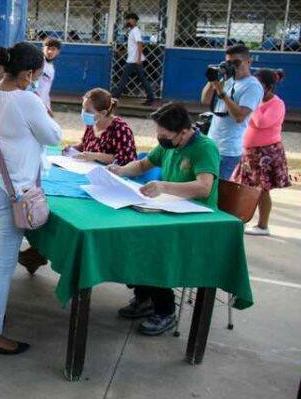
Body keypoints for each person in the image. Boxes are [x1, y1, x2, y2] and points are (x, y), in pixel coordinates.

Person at [0, 42, 62, 355]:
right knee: (3, 266)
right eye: (35, 75)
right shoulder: (27, 100)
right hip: (5, 193)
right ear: (27, 74)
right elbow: (54, 136)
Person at [108, 102, 220, 335]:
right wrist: (119, 170)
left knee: (154, 247)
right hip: (167, 211)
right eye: (158, 134)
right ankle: (144, 295)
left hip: (195, 219)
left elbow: (203, 188)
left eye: (165, 135)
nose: (160, 139)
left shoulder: (204, 148)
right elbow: (143, 164)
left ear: (184, 131)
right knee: (132, 234)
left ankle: (165, 310)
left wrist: (164, 186)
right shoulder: (169, 145)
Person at [233, 69, 291, 236]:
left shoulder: (276, 104)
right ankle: (241, 219)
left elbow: (261, 122)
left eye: (259, 87)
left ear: (269, 87)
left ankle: (263, 225)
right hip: (249, 151)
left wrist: (254, 104)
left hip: (267, 152)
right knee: (245, 187)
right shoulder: (254, 101)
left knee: (262, 189)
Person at [201, 44, 264, 181]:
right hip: (212, 143)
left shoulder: (253, 86)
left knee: (217, 192)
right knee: (204, 187)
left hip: (228, 150)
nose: (233, 67)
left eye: (237, 62)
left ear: (249, 62)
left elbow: (240, 116)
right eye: (229, 63)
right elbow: (205, 100)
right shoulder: (227, 79)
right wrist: (212, 81)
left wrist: (222, 93)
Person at [67, 88, 137, 166]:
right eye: (83, 108)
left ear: (103, 113)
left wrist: (95, 156)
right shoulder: (92, 124)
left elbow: (125, 159)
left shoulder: (121, 129)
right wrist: (72, 149)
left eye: (88, 111)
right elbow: (85, 144)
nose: (84, 112)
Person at [112, 12, 155, 106]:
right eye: (127, 19)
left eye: (129, 19)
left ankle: (114, 97)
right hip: (133, 59)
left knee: (124, 79)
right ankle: (151, 98)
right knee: (142, 79)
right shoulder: (132, 31)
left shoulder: (135, 30)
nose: (127, 21)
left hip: (134, 60)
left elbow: (140, 44)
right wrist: (121, 53)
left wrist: (139, 59)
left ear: (134, 21)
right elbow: (132, 47)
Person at [29, 38, 61, 111]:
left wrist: (48, 107)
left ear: (58, 52)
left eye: (53, 49)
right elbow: (31, 85)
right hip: (33, 103)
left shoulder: (51, 68)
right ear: (43, 49)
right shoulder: (38, 63)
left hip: (42, 105)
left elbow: (46, 90)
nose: (50, 52)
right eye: (48, 48)